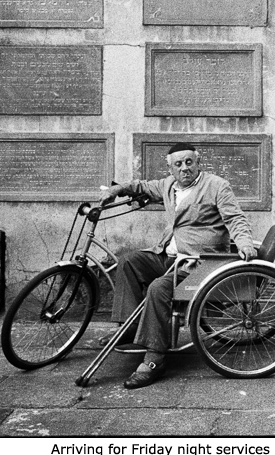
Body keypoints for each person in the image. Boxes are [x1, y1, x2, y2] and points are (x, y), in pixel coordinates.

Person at [98, 142, 256, 389]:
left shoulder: (216, 186)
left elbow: (235, 218)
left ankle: (154, 358)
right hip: (168, 256)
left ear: (198, 162)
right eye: (178, 164)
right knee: (129, 261)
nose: (185, 168)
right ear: (170, 168)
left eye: (189, 162)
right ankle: (130, 327)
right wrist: (117, 190)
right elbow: (141, 186)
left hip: (198, 264)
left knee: (159, 288)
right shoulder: (168, 185)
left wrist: (244, 243)